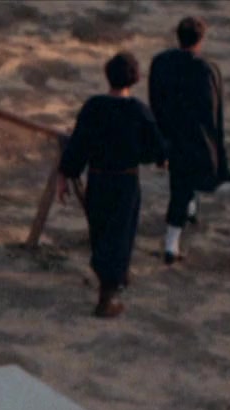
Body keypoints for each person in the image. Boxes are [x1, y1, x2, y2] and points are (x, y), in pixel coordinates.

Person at [58, 52, 165, 318]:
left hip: (98, 178)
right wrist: (150, 157)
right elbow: (157, 148)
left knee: (100, 230)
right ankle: (107, 296)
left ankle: (114, 276)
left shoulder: (94, 106)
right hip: (126, 180)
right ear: (135, 78)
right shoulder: (139, 111)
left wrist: (65, 175)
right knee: (121, 234)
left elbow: (78, 145)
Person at [148, 16, 230, 265]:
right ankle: (171, 244)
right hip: (194, 136)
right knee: (182, 186)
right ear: (201, 40)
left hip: (167, 131)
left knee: (181, 183)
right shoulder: (206, 69)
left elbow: (154, 98)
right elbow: (212, 110)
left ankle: (188, 212)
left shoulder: (160, 62)